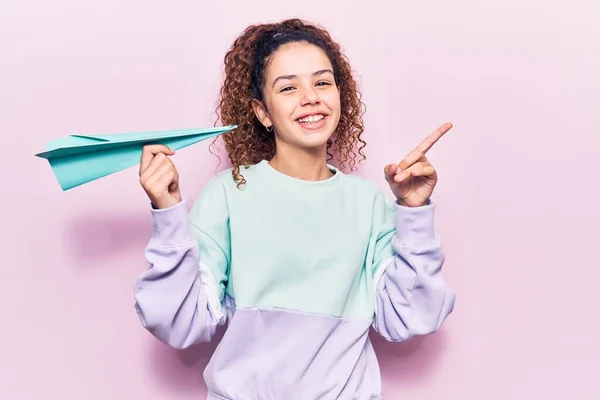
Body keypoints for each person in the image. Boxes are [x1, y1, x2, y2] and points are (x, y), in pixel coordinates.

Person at [134, 18, 455, 400]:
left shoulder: (369, 203)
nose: (310, 97)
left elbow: (411, 317)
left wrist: (414, 212)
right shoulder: (228, 194)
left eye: (322, 82)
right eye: (288, 87)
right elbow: (179, 323)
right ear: (263, 112)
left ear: (341, 94)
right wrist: (168, 212)